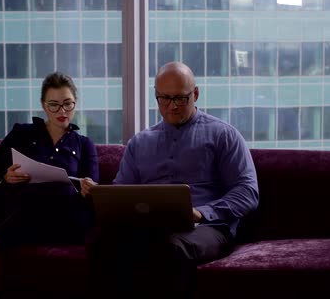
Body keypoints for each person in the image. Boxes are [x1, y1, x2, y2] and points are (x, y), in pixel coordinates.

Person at [88, 62, 259, 299]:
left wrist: (201, 212)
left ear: (195, 94)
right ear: (156, 96)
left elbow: (248, 192)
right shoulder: (139, 143)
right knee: (103, 244)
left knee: (169, 248)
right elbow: (121, 193)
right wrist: (101, 197)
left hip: (206, 228)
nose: (172, 106)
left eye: (180, 98)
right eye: (164, 99)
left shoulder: (223, 135)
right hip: (148, 228)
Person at [0, 72, 99, 258]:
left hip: (61, 215)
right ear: (44, 105)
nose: (62, 111)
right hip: (17, 204)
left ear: (75, 102)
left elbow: (93, 192)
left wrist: (90, 189)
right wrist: (6, 177)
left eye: (67, 103)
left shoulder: (85, 144)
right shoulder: (21, 133)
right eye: (53, 104)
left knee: (64, 197)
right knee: (28, 195)